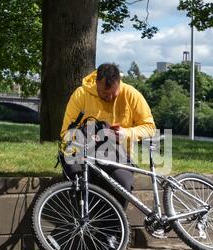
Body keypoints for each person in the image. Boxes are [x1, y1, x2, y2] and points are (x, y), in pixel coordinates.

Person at [60, 63, 156, 209]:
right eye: (105, 94)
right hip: (84, 153)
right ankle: (83, 224)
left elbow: (150, 127)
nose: (110, 97)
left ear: (119, 83)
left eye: (114, 93)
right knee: (78, 179)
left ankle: (116, 230)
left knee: (122, 184)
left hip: (118, 155)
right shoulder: (81, 94)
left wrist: (126, 133)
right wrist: (88, 138)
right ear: (96, 83)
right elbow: (66, 133)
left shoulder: (131, 94)